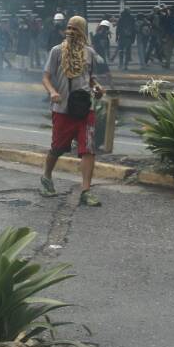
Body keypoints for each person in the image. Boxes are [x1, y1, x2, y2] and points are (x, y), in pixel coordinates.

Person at [40, 16, 104, 207]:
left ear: (83, 31)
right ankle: (46, 177)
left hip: (85, 109)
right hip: (62, 109)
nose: (70, 32)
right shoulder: (57, 51)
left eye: (75, 29)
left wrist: (97, 88)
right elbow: (45, 77)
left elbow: (90, 79)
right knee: (58, 147)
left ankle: (86, 191)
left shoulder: (89, 53)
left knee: (88, 149)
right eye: (68, 28)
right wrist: (52, 92)